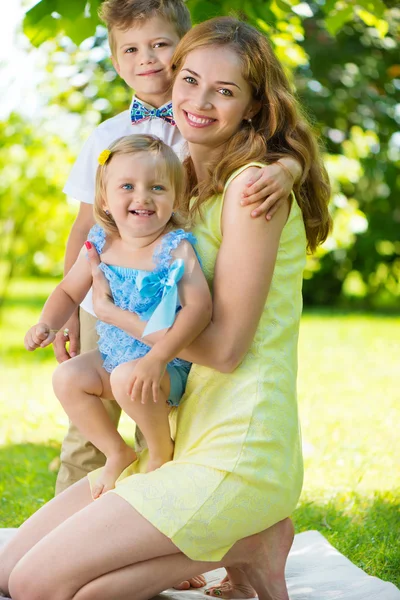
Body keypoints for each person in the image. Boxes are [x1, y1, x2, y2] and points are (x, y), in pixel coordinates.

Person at [0, 17, 331, 600]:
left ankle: (248, 540)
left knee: (39, 587)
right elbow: (101, 223)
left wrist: (114, 314)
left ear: (254, 107)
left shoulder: (252, 188)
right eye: (190, 80)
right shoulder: (182, 181)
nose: (199, 102)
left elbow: (226, 351)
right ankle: (237, 538)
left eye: (225, 92)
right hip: (177, 436)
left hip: (236, 444)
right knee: (10, 573)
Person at [56, 0, 304, 498]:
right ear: (115, 57)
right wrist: (73, 304)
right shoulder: (108, 136)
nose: (146, 59)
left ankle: (150, 481)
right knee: (88, 418)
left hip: (168, 292)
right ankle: (82, 506)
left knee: (149, 399)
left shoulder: (197, 124)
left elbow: (271, 145)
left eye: (160, 46)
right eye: (131, 49)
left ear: (180, 53)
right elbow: (86, 225)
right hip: (109, 290)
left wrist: (289, 168)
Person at [24, 134, 212, 499]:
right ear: (105, 199)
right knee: (67, 377)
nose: (142, 197)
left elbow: (199, 309)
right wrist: (47, 323)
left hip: (165, 367)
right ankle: (117, 452)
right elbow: (67, 290)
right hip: (114, 360)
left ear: (175, 199)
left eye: (157, 187)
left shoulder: (174, 247)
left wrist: (157, 358)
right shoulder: (101, 242)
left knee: (129, 375)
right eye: (127, 186)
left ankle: (160, 452)